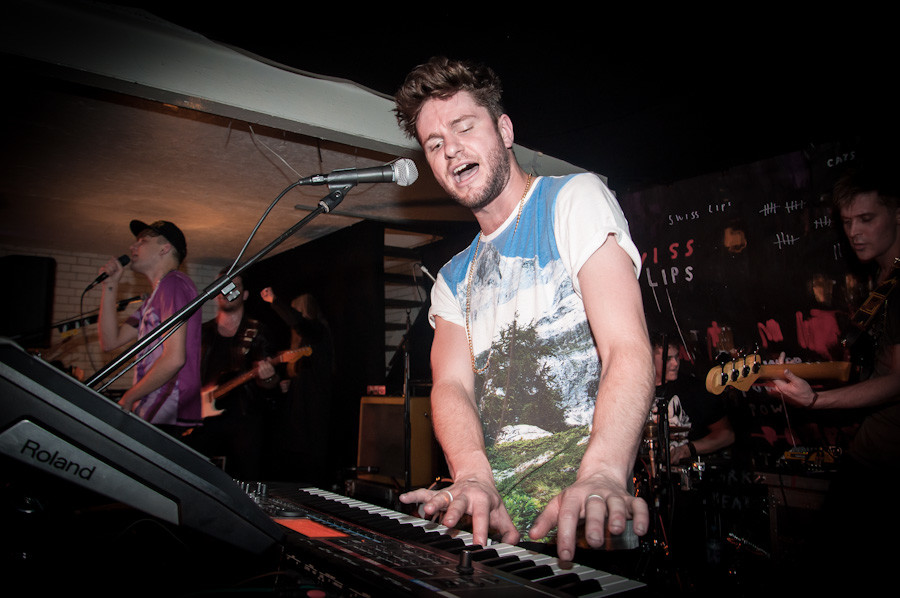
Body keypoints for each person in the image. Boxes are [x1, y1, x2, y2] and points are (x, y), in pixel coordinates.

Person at [392, 56, 654, 563]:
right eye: (435, 144)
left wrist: (603, 472)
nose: (451, 150)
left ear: (504, 130)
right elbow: (450, 387)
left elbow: (626, 346)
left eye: (464, 127)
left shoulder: (573, 200)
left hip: (594, 529)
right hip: (500, 542)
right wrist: (471, 475)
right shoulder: (452, 278)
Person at [771, 167, 900, 587]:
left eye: (867, 219)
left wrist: (815, 401)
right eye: (847, 222)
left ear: (897, 213)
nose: (855, 233)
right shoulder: (885, 274)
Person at [97, 220, 202, 436]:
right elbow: (110, 341)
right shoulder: (154, 298)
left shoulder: (173, 283)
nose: (132, 247)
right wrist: (110, 285)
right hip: (155, 405)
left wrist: (130, 396)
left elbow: (174, 358)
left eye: (142, 241)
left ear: (165, 249)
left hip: (167, 405)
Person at [188, 272, 279, 480]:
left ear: (245, 295)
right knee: (195, 479)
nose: (227, 291)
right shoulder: (202, 332)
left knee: (246, 481)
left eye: (234, 285)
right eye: (222, 286)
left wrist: (268, 377)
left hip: (245, 421)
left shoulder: (258, 332)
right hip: (204, 419)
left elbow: (271, 382)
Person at [260, 287, 335, 486]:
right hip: (299, 416)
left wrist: (275, 301)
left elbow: (299, 324)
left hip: (313, 414)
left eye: (297, 311)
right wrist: (290, 384)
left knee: (312, 463)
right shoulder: (303, 344)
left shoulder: (317, 331)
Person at [652, 333, 735, 465]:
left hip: (689, 470)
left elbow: (727, 435)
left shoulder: (693, 388)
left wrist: (688, 449)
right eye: (668, 359)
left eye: (677, 357)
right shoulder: (636, 391)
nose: (675, 363)